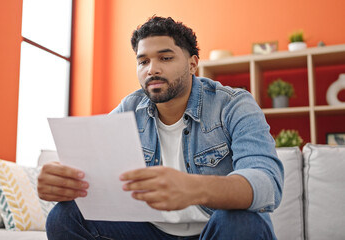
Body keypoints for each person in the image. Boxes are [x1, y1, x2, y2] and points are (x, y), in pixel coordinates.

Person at [38, 16, 284, 240]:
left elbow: (267, 183)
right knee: (65, 215)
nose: (152, 69)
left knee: (242, 221)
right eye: (143, 61)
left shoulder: (233, 104)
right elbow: (94, 171)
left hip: (214, 230)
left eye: (165, 58)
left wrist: (193, 188)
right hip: (150, 230)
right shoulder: (130, 108)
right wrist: (63, 180)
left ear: (192, 63)